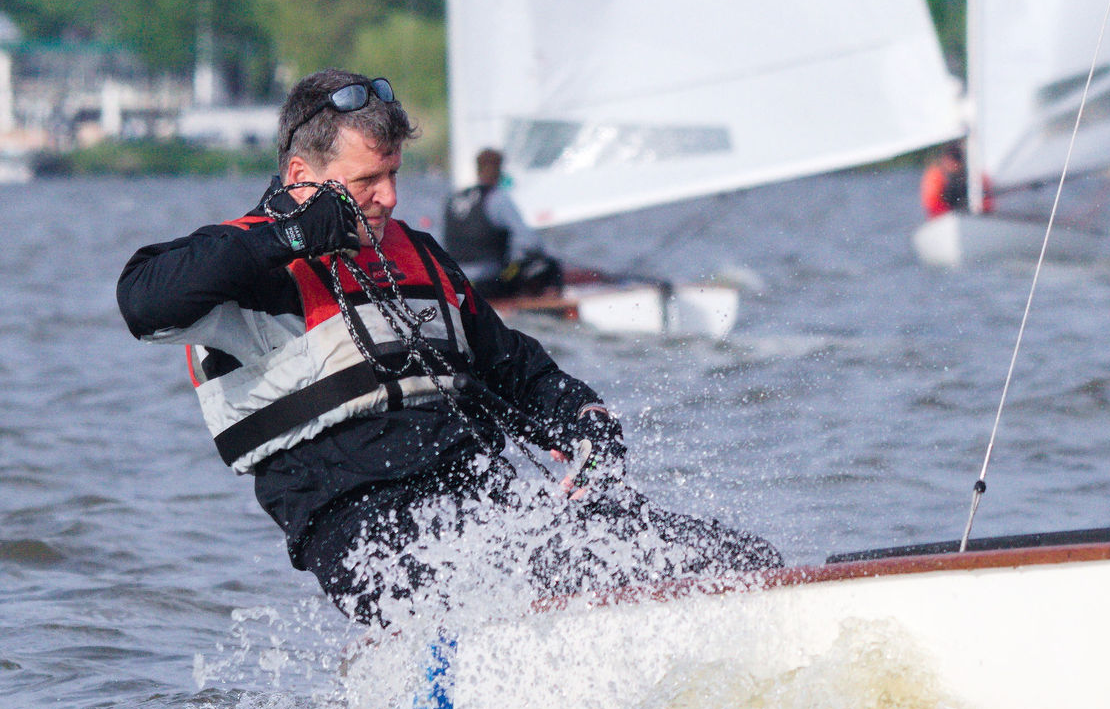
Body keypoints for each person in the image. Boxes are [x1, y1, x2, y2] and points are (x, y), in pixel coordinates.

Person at [117, 68, 779, 626]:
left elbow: (513, 367)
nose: (390, 197)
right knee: (559, 570)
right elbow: (142, 299)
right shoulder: (244, 265)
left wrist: (584, 419)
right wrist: (290, 235)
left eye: (394, 174)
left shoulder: (420, 254)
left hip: (481, 503)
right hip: (365, 530)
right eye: (367, 181)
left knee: (735, 558)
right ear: (299, 176)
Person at [442, 146, 562, 298]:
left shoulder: (453, 199)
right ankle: (550, 303)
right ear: (500, 170)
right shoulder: (497, 198)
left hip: (458, 283)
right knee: (549, 265)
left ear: (477, 169)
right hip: (489, 283)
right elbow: (530, 242)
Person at [920, 142, 969, 218]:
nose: (955, 164)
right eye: (952, 158)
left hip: (967, 216)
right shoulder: (935, 176)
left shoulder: (970, 175)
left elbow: (985, 199)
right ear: (945, 159)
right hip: (945, 218)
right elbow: (932, 204)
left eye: (958, 158)